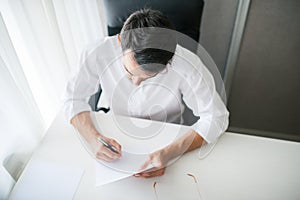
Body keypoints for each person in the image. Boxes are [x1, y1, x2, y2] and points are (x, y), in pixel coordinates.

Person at [63, 9, 229, 178]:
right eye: (130, 71)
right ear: (120, 41)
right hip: (116, 133)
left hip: (168, 135)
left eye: (148, 77)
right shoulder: (96, 52)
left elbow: (217, 117)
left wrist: (171, 152)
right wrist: (92, 138)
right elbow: (72, 99)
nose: (135, 83)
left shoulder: (188, 64)